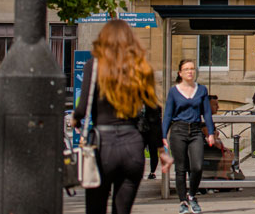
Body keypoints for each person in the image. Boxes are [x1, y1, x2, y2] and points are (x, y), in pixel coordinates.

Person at [73, 19, 171, 214]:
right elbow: (153, 114)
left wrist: (75, 119)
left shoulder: (94, 65)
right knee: (123, 210)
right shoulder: (141, 67)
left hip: (102, 147)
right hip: (132, 147)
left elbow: (82, 108)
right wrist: (161, 150)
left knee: (95, 208)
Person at [163, 58, 215, 214]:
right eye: (186, 69)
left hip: (195, 131)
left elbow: (206, 112)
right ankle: (183, 202)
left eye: (192, 69)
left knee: (197, 167)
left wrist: (210, 132)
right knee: (180, 169)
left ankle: (192, 195)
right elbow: (167, 115)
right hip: (178, 130)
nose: (190, 71)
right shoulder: (174, 91)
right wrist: (163, 135)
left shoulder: (202, 90)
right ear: (180, 73)